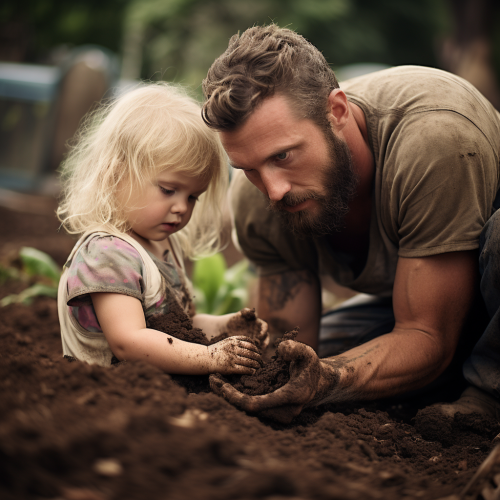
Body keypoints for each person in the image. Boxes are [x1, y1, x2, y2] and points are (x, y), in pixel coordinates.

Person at [201, 24, 500, 423]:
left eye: (284, 156)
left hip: (473, 295)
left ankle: (486, 397)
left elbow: (428, 335)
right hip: (425, 301)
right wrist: (284, 378)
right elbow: (292, 343)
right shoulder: (257, 200)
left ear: (337, 111)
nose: (272, 190)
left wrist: (327, 380)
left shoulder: (435, 138)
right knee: (320, 359)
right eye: (249, 168)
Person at [56, 83, 268, 375]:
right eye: (169, 190)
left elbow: (178, 329)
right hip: (107, 391)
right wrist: (209, 357)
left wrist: (225, 326)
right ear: (116, 173)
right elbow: (129, 342)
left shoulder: (163, 246)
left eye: (193, 196)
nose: (182, 207)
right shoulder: (108, 254)